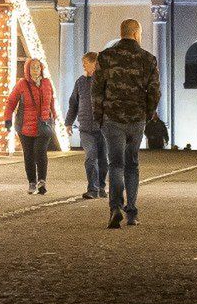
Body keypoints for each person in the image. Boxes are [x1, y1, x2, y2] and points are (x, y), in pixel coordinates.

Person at [93, 19, 161, 228]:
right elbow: (154, 91)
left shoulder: (105, 57)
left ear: (121, 32)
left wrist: (99, 116)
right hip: (136, 118)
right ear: (136, 34)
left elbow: (97, 90)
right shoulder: (147, 59)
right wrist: (147, 114)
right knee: (132, 164)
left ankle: (115, 208)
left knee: (116, 165)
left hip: (112, 119)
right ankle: (131, 210)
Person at [3, 57, 58, 194]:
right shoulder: (22, 84)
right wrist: (7, 119)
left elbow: (51, 102)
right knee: (28, 155)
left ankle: (42, 182)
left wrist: (54, 117)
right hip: (25, 127)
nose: (35, 70)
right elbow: (11, 102)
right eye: (33, 67)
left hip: (44, 125)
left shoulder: (47, 83)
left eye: (38, 67)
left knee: (40, 152)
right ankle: (32, 182)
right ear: (28, 69)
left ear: (41, 69)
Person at [62, 51, 107, 198]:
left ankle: (101, 186)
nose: (83, 66)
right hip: (86, 128)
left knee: (103, 159)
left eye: (85, 64)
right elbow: (73, 104)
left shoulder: (104, 80)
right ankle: (92, 189)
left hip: (103, 127)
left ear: (94, 63)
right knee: (90, 157)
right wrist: (68, 123)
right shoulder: (80, 82)